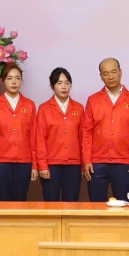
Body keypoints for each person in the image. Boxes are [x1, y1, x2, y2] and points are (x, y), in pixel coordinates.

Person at [82, 58, 129, 203]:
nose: (110, 76)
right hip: (96, 163)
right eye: (106, 73)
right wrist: (86, 160)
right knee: (96, 207)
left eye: (114, 72)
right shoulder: (93, 100)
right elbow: (86, 132)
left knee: (124, 206)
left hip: (124, 163)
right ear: (101, 76)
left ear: (120, 72)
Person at [0, 63, 37, 201]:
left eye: (17, 78)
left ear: (21, 81)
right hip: (0, 163)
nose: (14, 82)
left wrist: (35, 165)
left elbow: (34, 137)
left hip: (24, 162)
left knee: (20, 200)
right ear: (2, 81)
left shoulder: (29, 105)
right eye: (10, 78)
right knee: (1, 200)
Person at [35, 67, 85, 202]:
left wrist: (83, 165)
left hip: (73, 165)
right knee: (51, 203)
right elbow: (40, 139)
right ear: (52, 86)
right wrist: (43, 165)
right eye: (59, 83)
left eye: (67, 83)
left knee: (72, 203)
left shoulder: (79, 108)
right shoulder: (44, 108)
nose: (64, 87)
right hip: (51, 165)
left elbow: (83, 138)